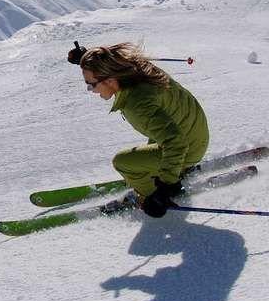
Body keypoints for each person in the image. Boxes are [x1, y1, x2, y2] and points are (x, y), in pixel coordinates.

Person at [67, 41, 209, 218]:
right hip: (192, 127)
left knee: (123, 162)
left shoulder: (137, 105)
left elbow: (176, 143)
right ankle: (174, 170)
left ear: (110, 79)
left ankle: (151, 193)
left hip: (187, 146)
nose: (91, 90)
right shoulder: (133, 71)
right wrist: (89, 58)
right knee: (154, 139)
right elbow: (112, 62)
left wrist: (163, 191)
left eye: (91, 84)